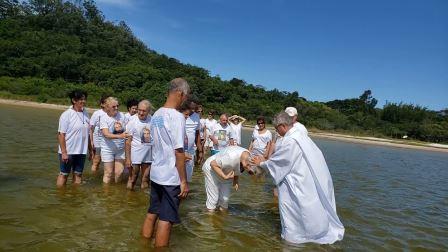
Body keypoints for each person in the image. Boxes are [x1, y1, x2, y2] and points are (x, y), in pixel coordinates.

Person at [251, 112, 344, 245]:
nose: (277, 132)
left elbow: (280, 163)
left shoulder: (290, 140)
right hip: (304, 178)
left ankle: (292, 241)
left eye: (277, 129)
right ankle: (311, 234)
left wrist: (261, 163)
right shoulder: (300, 135)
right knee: (305, 211)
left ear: (282, 126)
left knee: (293, 213)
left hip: (295, 183)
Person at [141, 78, 190, 247]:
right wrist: (183, 181)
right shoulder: (177, 117)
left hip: (156, 173)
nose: (185, 100)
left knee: (152, 212)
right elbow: (178, 151)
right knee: (166, 219)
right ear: (180, 93)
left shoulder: (156, 115)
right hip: (170, 176)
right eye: (186, 96)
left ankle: (143, 244)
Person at [56, 90, 92, 186]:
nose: (83, 101)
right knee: (64, 175)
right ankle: (61, 197)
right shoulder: (66, 114)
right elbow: (61, 135)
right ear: (74, 100)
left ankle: (75, 197)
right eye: (81, 99)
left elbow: (88, 134)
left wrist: (90, 150)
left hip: (81, 151)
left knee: (78, 174)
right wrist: (64, 152)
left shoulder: (86, 113)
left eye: (84, 99)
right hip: (68, 151)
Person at [202, 146, 251, 211]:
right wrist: (224, 176)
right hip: (211, 169)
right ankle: (209, 216)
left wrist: (235, 180)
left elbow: (238, 167)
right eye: (250, 172)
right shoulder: (231, 156)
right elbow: (212, 164)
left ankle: (222, 218)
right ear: (246, 165)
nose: (248, 172)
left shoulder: (249, 156)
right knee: (213, 199)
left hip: (227, 171)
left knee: (225, 200)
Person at [100, 97, 129, 184]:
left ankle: (116, 192)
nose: (116, 108)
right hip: (107, 149)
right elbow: (106, 134)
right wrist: (120, 136)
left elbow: (128, 130)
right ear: (107, 107)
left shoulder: (122, 116)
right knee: (108, 173)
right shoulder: (103, 118)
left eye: (117, 106)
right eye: (114, 106)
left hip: (120, 149)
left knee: (118, 173)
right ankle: (106, 194)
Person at [125, 100, 153, 190]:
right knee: (133, 178)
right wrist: (128, 159)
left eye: (144, 111)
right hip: (135, 154)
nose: (141, 113)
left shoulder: (152, 120)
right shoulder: (132, 120)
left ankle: (143, 201)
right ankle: (128, 199)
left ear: (148, 111)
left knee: (145, 179)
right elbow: (128, 142)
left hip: (148, 155)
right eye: (139, 110)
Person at [179, 99, 202, 182]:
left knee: (188, 177)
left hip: (191, 151)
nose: (192, 110)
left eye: (194, 108)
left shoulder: (197, 116)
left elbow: (197, 134)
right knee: (177, 177)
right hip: (179, 151)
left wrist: (200, 151)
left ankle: (186, 193)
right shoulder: (180, 114)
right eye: (191, 108)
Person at [89, 95, 107, 173]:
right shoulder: (97, 113)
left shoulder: (111, 113)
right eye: (106, 102)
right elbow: (91, 128)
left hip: (106, 141)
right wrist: (91, 141)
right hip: (98, 141)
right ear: (102, 104)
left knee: (105, 161)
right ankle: (93, 175)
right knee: (96, 160)